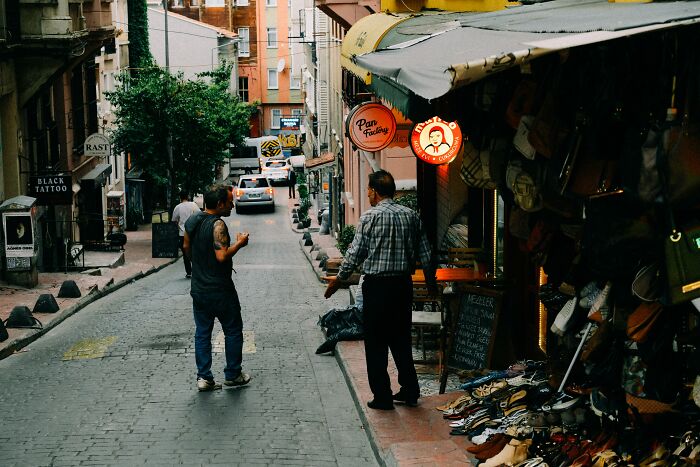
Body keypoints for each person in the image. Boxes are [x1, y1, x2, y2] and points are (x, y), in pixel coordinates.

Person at [323, 170, 437, 410]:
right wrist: (430, 284)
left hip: (377, 287)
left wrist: (338, 280)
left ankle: (383, 396)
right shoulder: (411, 216)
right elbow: (427, 253)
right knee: (401, 340)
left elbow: (355, 253)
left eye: (368, 190)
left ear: (374, 191)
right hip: (402, 287)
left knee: (376, 343)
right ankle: (410, 390)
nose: (367, 194)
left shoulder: (370, 217)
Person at [183, 185, 251, 391]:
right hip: (221, 289)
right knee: (232, 330)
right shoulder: (218, 225)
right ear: (220, 204)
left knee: (202, 333)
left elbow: (185, 247)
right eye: (230, 202)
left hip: (199, 289)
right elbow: (221, 256)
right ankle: (233, 374)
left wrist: (198, 265)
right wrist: (240, 243)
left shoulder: (192, 220)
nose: (232, 205)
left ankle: (204, 378)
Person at [172, 191, 199, 278]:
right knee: (195, 252)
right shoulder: (193, 205)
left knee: (185, 253)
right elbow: (199, 215)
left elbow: (174, 220)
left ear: (180, 197)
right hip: (193, 233)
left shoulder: (178, 207)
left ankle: (189, 272)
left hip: (182, 234)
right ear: (188, 196)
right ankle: (197, 270)